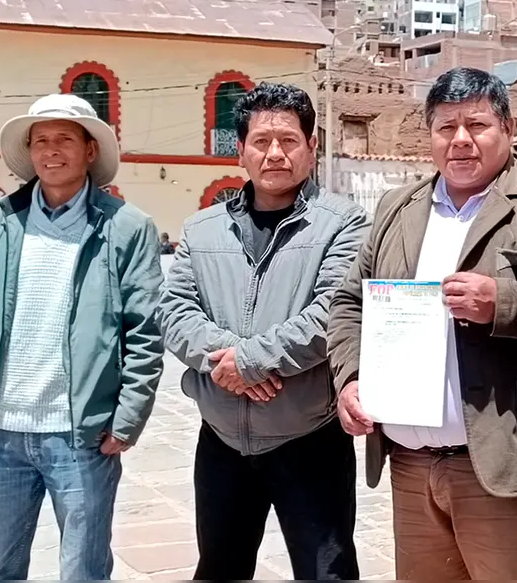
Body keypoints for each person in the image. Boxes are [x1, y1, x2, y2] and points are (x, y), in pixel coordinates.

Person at [327, 67, 517, 580]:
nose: (460, 140)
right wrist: (349, 378)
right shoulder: (398, 207)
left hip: (507, 463)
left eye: (477, 125)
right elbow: (350, 303)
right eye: (445, 127)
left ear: (509, 128)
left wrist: (501, 302)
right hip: (411, 468)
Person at [0, 93, 165, 580]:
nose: (51, 150)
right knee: (0, 569)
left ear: (90, 150)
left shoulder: (126, 228)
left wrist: (126, 420)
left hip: (80, 435)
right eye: (40, 140)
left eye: (64, 138)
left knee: (83, 570)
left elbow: (145, 334)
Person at [157, 82, 369, 580]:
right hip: (222, 440)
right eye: (261, 141)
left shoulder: (343, 223)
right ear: (241, 151)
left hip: (309, 437)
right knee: (219, 569)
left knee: (327, 572)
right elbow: (174, 311)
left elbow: (332, 313)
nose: (275, 153)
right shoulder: (202, 228)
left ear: (312, 147)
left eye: (289, 140)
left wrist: (249, 362)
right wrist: (229, 360)